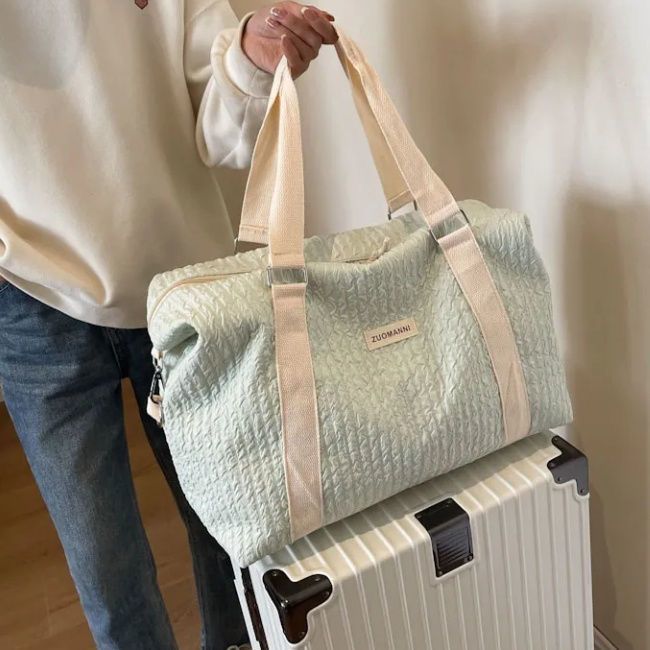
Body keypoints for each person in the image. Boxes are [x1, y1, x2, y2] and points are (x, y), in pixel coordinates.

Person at [0, 2, 337, 648]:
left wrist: (250, 60)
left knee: (231, 540)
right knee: (109, 580)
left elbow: (219, 130)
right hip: (29, 296)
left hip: (182, 285)